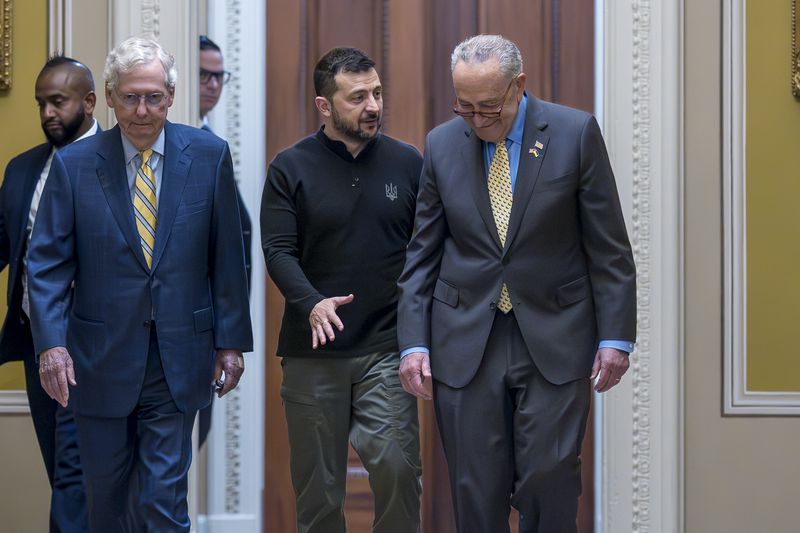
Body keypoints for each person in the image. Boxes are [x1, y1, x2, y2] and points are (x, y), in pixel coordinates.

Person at [397, 34, 637, 533]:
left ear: (518, 86)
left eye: (490, 106)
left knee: (549, 478)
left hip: (555, 333)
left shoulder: (575, 133)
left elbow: (608, 246)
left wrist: (616, 337)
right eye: (466, 107)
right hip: (464, 339)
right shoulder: (442, 145)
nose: (479, 120)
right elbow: (422, 254)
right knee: (474, 486)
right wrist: (413, 344)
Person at [27, 37, 253, 532]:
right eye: (130, 97)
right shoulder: (74, 165)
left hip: (178, 360)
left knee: (161, 505)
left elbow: (227, 258)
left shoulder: (209, 155)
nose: (142, 110)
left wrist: (231, 342)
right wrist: (51, 347)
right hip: (97, 361)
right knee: (104, 506)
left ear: (172, 95)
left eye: (153, 96)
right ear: (108, 97)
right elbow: (45, 266)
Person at [261, 47, 422, 533]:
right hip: (314, 351)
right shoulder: (290, 167)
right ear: (324, 106)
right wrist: (311, 303)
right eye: (357, 97)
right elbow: (278, 251)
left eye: (376, 93)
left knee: (398, 468)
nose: (373, 105)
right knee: (319, 492)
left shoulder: (408, 162)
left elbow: (427, 251)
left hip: (385, 347)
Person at [0, 55, 95, 533]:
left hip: (93, 347)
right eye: (41, 103)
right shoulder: (22, 170)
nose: (47, 114)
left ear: (90, 102)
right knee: (63, 474)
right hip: (37, 345)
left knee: (78, 477)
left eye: (58, 102)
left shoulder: (116, 161)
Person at [196, 34, 253, 447]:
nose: (213, 84)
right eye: (204, 75)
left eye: (219, 76)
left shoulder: (212, 144)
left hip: (211, 330)